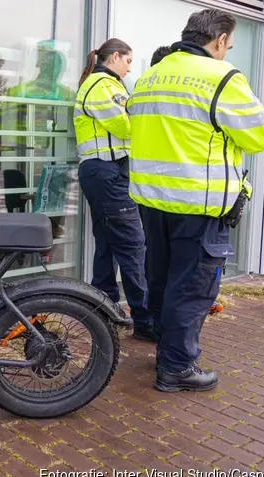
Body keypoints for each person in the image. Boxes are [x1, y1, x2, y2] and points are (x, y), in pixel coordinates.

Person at [126, 9, 264, 391]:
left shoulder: (149, 77)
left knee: (160, 281)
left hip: (152, 202)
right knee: (191, 288)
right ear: (220, 40)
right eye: (229, 45)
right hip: (199, 204)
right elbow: (260, 135)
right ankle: (176, 368)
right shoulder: (221, 77)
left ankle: (166, 350)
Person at [73, 38, 154, 340]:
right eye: (129, 61)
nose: (130, 68)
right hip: (106, 171)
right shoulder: (102, 85)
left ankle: (103, 311)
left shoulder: (107, 85)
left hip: (105, 171)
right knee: (133, 244)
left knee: (108, 243)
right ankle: (146, 321)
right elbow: (126, 127)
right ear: (115, 57)